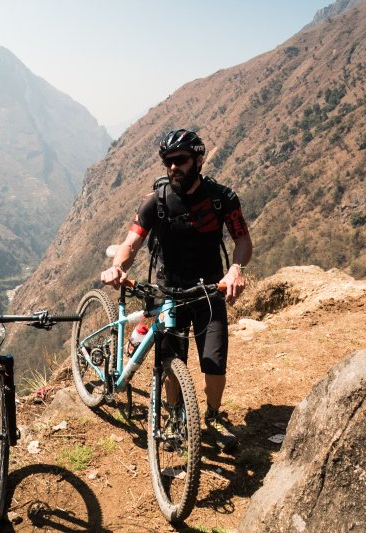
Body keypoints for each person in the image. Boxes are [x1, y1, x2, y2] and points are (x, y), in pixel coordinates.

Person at [100, 129, 253, 451]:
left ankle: (212, 415)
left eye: (180, 160)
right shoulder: (155, 201)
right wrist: (119, 267)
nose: (173, 167)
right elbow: (132, 241)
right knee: (171, 360)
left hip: (209, 290)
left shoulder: (221, 199)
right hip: (167, 289)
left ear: (198, 159)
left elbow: (242, 238)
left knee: (214, 361)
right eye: (168, 161)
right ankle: (173, 414)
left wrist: (236, 269)